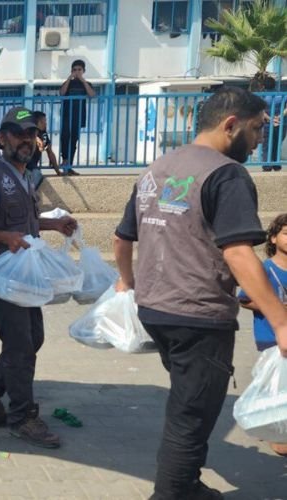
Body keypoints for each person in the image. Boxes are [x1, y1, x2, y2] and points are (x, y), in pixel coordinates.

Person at [113, 87, 287, 499]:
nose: (262, 138)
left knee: (190, 402)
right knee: (190, 414)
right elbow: (240, 253)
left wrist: (129, 283)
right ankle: (172, 493)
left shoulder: (157, 168)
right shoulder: (226, 173)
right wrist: (281, 322)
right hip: (199, 316)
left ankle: (187, 483)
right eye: (258, 128)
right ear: (231, 125)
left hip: (155, 310)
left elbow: (122, 240)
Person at [0, 107, 78, 448]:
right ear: (1, 138)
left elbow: (22, 222)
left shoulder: (23, 176)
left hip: (21, 278)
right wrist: (4, 238)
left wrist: (52, 224)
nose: (25, 140)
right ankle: (23, 417)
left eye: (30, 134)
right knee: (21, 346)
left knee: (32, 338)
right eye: (16, 133)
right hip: (0, 279)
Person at [237, 213, 287, 456]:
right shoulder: (263, 269)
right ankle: (274, 431)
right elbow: (244, 299)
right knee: (274, 387)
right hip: (270, 337)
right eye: (286, 233)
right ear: (274, 238)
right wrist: (274, 305)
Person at [59, 59, 95, 175]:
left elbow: (92, 95)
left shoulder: (86, 84)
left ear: (84, 71)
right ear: (71, 71)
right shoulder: (68, 83)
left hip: (78, 116)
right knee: (65, 138)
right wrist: (70, 78)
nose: (77, 72)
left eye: (79, 70)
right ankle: (64, 161)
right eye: (75, 70)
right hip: (66, 115)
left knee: (74, 140)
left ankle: (69, 166)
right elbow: (62, 93)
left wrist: (82, 80)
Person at [25, 111, 63, 189]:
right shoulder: (28, 131)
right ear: (36, 122)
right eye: (43, 122)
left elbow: (50, 152)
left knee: (37, 175)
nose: (45, 124)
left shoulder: (44, 134)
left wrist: (58, 171)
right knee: (36, 174)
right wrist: (36, 139)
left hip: (33, 166)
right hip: (24, 163)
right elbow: (32, 136)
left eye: (45, 121)